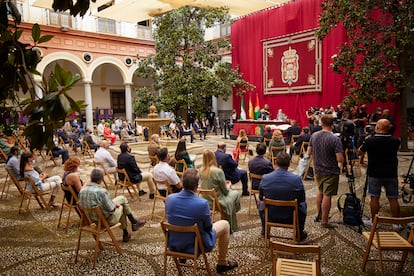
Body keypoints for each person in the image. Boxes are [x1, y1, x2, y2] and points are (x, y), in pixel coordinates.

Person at [165, 168, 238, 273]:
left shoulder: (170, 198)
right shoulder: (202, 204)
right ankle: (222, 263)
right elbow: (208, 227)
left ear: (182, 182)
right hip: (195, 245)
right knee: (225, 224)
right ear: (197, 184)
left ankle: (182, 256)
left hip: (174, 243)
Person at [78, 168, 146, 242]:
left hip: (91, 220)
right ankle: (131, 226)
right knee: (122, 206)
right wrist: (115, 206)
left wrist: (113, 204)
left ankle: (132, 225)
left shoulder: (82, 191)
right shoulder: (101, 191)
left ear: (91, 178)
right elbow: (111, 209)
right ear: (101, 179)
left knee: (121, 199)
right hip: (104, 221)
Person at [359, 119, 400, 222]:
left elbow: (359, 152)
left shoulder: (370, 140)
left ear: (377, 128)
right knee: (393, 198)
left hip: (374, 172)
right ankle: (396, 223)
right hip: (391, 173)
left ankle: (374, 222)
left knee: (374, 198)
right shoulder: (395, 141)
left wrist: (365, 141)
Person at [259, 152, 308, 240]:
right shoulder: (296, 179)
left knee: (261, 202)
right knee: (303, 204)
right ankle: (299, 232)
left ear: (275, 163)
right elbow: (302, 199)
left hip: (270, 215)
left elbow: (260, 196)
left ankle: (264, 229)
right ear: (289, 164)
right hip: (291, 217)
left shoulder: (265, 178)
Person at [307, 114, 344, 228]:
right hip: (330, 171)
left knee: (320, 191)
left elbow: (309, 152)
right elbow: (340, 159)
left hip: (318, 169)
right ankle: (324, 221)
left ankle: (319, 215)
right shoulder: (335, 139)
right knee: (327, 195)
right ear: (332, 124)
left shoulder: (314, 135)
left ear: (321, 123)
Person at [200, 150, 241, 233]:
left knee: (231, 198)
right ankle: (231, 223)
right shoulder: (218, 171)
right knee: (235, 194)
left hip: (206, 199)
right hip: (218, 199)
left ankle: (231, 220)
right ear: (213, 158)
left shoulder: (201, 170)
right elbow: (225, 191)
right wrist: (228, 186)